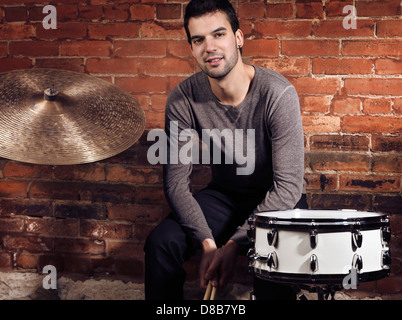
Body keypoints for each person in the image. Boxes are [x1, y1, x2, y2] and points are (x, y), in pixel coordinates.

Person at [144, 0, 306, 300]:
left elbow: (289, 186)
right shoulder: (183, 98)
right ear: (191, 48)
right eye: (198, 39)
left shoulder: (277, 93)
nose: (209, 47)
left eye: (218, 34)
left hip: (278, 198)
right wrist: (206, 243)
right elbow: (175, 184)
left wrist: (234, 244)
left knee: (274, 258)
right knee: (161, 243)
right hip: (224, 194)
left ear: (238, 38)